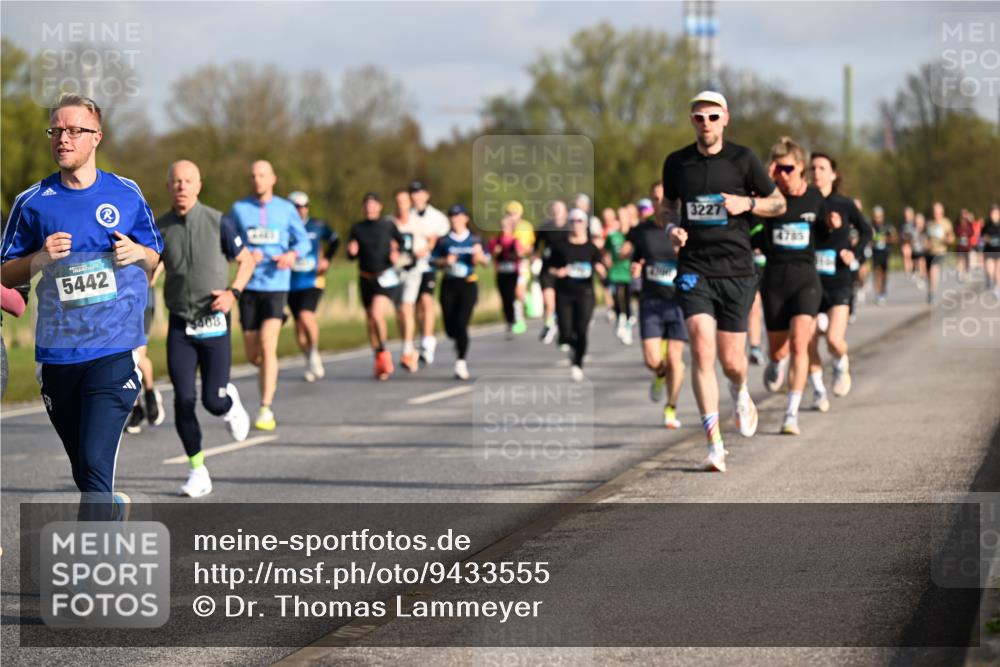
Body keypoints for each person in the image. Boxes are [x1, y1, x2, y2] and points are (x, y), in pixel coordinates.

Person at [1, 93, 163, 518]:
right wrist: (37, 260)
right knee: (85, 471)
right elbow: (4, 275)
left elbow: (155, 256)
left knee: (94, 462)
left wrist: (137, 254)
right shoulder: (32, 202)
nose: (63, 138)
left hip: (114, 346)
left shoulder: (126, 194)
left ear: (97, 138)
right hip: (57, 353)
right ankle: (112, 511)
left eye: (74, 130)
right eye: (56, 130)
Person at [663, 90, 786, 472]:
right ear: (692, 121)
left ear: (725, 119)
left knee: (732, 362)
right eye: (699, 117)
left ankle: (740, 391)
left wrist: (746, 204)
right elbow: (667, 207)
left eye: (713, 117)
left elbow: (778, 203)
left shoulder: (743, 159)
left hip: (736, 270)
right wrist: (671, 228)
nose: (706, 124)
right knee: (700, 349)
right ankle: (715, 444)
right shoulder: (677, 163)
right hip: (695, 268)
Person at [156, 160, 254, 497]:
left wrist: (233, 293)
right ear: (168, 187)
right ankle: (197, 470)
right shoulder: (160, 227)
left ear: (198, 185)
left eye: (188, 181)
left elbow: (247, 261)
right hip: (181, 325)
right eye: (176, 181)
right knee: (183, 400)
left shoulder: (218, 221)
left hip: (214, 323)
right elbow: (151, 268)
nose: (181, 186)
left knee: (212, 400)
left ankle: (228, 403)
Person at [228, 160, 311, 431]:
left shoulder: (286, 210)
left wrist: (290, 255)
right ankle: (266, 375)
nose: (257, 180)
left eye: (262, 175)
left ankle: (265, 408)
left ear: (273, 179)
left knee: (268, 343)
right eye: (253, 175)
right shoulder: (240, 209)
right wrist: (243, 254)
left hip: (277, 285)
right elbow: (228, 241)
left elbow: (304, 241)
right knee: (254, 355)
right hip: (249, 286)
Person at [757, 138, 827, 435]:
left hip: (805, 280)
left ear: (800, 167)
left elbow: (825, 233)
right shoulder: (769, 200)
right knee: (778, 350)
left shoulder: (814, 198)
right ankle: (776, 362)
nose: (783, 175)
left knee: (801, 343)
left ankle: (791, 413)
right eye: (777, 169)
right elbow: (748, 222)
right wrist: (765, 179)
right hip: (774, 280)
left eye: (788, 168)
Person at [808, 151, 871, 404]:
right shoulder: (805, 201)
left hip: (839, 281)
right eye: (813, 168)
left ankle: (840, 362)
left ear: (833, 174)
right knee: (808, 341)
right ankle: (818, 391)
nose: (816, 172)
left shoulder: (845, 205)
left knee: (834, 339)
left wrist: (853, 253)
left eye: (822, 168)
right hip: (810, 281)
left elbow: (867, 232)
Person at [627, 196, 688, 428]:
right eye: (657, 200)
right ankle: (660, 373)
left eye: (666, 199)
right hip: (651, 300)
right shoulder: (642, 231)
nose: (662, 205)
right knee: (652, 360)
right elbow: (634, 257)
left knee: (675, 358)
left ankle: (671, 407)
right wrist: (634, 266)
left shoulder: (685, 229)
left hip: (678, 301)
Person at [347, 192, 404, 380]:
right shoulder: (357, 228)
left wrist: (396, 251)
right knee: (370, 320)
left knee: (377, 314)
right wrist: (352, 252)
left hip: (384, 276)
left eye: (373, 204)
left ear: (379, 206)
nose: (370, 208)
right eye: (366, 204)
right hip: (365, 277)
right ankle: (378, 357)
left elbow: (403, 243)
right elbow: (351, 255)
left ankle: (384, 351)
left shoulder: (388, 225)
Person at [548, 208, 607, 382]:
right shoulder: (560, 246)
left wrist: (601, 271)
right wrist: (558, 272)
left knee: (581, 330)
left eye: (580, 221)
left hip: (585, 294)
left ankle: (578, 364)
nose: (576, 224)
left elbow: (602, 269)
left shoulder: (591, 247)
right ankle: (569, 344)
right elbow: (548, 268)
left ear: (585, 224)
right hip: (564, 293)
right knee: (566, 332)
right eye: (573, 221)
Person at [287, 190, 339, 382]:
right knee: (299, 327)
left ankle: (315, 352)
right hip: (291, 283)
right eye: (296, 206)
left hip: (313, 280)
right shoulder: (284, 228)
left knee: (306, 315)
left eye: (304, 206)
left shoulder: (317, 225)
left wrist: (327, 260)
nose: (301, 210)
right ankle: (308, 358)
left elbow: (335, 240)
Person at [431, 204, 486, 379]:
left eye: (458, 216)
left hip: (468, 285)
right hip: (449, 284)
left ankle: (461, 362)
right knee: (450, 327)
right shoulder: (444, 240)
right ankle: (458, 340)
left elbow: (486, 261)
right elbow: (432, 260)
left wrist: (479, 257)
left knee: (462, 323)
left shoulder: (475, 240)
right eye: (452, 216)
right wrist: (444, 261)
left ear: (465, 218)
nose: (455, 219)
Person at [408, 181, 450, 365]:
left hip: (429, 266)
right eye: (413, 193)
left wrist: (434, 245)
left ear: (427, 195)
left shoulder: (438, 217)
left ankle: (427, 341)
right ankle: (421, 335)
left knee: (426, 300)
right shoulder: (407, 216)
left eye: (420, 192)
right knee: (416, 306)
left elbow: (446, 241)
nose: (417, 196)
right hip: (411, 266)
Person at [124, 274, 164, 434]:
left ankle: (150, 393)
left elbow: (163, 257)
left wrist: (152, 275)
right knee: (123, 359)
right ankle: (137, 408)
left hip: (142, 302)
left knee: (137, 357)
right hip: (119, 304)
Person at [488, 212, 528, 339]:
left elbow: (522, 254)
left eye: (507, 226)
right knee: (505, 298)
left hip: (513, 273)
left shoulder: (515, 241)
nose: (504, 229)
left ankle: (516, 316)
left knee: (513, 295)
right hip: (501, 273)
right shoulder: (495, 241)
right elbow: (489, 257)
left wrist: (520, 252)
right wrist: (495, 252)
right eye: (503, 226)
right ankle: (509, 321)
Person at [533, 199, 569, 344]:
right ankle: (549, 324)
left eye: (559, 209)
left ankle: (564, 332)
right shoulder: (545, 227)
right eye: (554, 210)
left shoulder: (570, 227)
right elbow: (536, 245)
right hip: (548, 269)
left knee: (562, 304)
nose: (556, 212)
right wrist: (534, 257)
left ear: (565, 212)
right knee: (549, 301)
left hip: (565, 271)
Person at [605, 209, 635, 344]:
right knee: (616, 296)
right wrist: (607, 262)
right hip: (615, 271)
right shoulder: (612, 236)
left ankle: (628, 323)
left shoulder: (633, 235)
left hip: (628, 271)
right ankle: (620, 318)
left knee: (627, 299)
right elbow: (605, 252)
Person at [924, 201, 955, 304]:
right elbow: (927, 238)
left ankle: (932, 293)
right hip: (929, 252)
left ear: (942, 211)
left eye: (938, 210)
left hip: (940, 251)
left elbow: (951, 237)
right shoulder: (929, 223)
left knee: (934, 271)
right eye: (934, 210)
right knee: (928, 275)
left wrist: (946, 240)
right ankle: (930, 290)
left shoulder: (946, 223)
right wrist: (926, 244)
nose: (936, 213)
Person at [870, 205, 896, 306]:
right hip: (875, 252)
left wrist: (885, 239)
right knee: (877, 272)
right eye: (875, 216)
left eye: (879, 216)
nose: (877, 219)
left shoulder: (888, 226)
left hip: (885, 251)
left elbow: (894, 238)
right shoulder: (871, 226)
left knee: (884, 272)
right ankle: (878, 293)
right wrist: (872, 241)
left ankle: (883, 291)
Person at [983, 204, 1000, 294]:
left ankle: (997, 288)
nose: (995, 215)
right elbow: (983, 236)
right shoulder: (987, 224)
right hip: (989, 251)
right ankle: (989, 279)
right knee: (990, 271)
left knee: (998, 271)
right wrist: (986, 239)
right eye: (993, 213)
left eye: (997, 213)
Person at [899, 206, 917, 278]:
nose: (907, 216)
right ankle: (908, 272)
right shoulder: (902, 224)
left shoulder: (915, 223)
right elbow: (900, 234)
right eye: (905, 214)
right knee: (905, 251)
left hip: (916, 244)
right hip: (906, 244)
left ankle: (914, 270)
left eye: (908, 214)